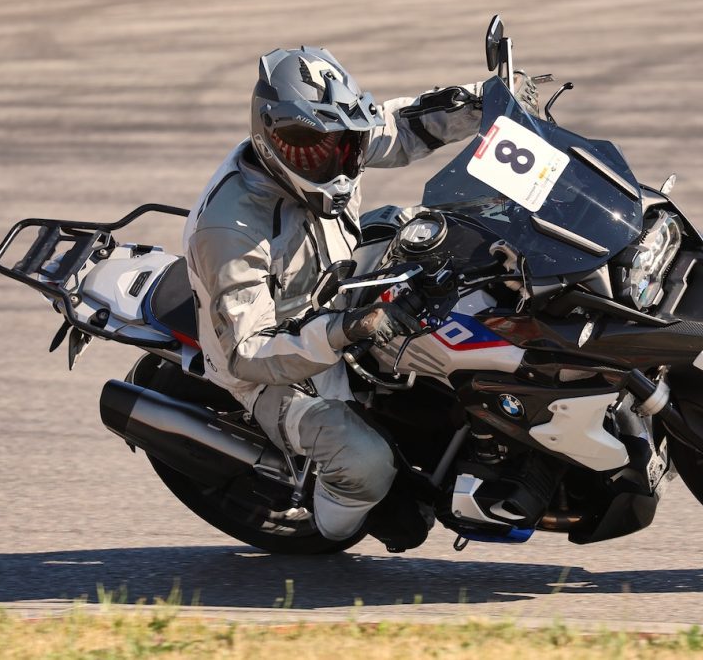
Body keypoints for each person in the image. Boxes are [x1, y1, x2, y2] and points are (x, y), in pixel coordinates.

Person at [181, 46, 483, 550]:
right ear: (272, 138)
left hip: (336, 287)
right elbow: (249, 352)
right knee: (371, 473)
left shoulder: (332, 144)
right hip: (272, 364)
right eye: (321, 148)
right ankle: (326, 521)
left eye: (348, 144)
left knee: (445, 239)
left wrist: (482, 104)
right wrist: (350, 329)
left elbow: (402, 128)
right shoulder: (230, 231)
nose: (341, 163)